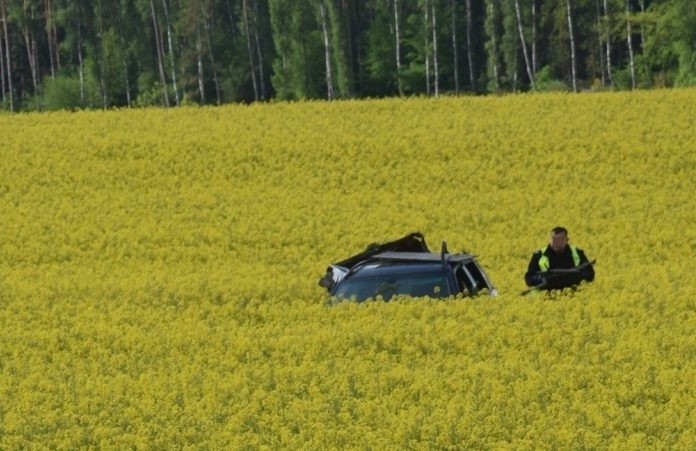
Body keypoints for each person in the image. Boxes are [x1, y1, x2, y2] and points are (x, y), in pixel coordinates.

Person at [524, 226, 595, 291]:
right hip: (545, 298)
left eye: (560, 240)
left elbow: (590, 275)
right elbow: (529, 278)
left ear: (567, 240)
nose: (556, 243)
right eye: (554, 240)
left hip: (573, 296)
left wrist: (576, 276)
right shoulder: (539, 255)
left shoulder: (577, 253)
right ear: (550, 239)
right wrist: (543, 279)